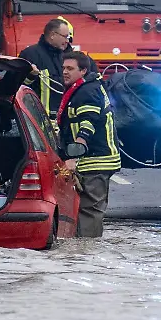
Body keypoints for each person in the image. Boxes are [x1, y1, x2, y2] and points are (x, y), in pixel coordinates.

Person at [56, 51, 121, 237]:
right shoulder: (84, 88)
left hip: (96, 160)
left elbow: (88, 123)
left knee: (89, 210)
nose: (65, 72)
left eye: (70, 68)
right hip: (93, 158)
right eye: (63, 68)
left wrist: (75, 154)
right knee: (83, 209)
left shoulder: (86, 92)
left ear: (83, 70)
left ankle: (88, 253)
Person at [18, 17, 71, 117]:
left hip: (60, 119)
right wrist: (31, 76)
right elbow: (18, 87)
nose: (67, 40)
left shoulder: (64, 56)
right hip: (38, 119)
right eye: (65, 36)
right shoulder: (30, 54)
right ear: (52, 35)